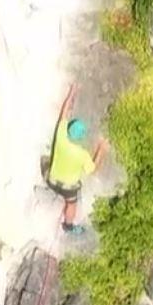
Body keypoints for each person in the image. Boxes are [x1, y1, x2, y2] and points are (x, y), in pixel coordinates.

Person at [46, 85, 106, 233]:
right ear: (80, 138)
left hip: (51, 180)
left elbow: (64, 113)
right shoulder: (82, 154)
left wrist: (71, 93)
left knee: (46, 161)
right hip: (68, 188)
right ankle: (68, 226)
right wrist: (101, 148)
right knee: (72, 205)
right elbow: (93, 169)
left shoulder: (61, 135)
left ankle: (58, 202)